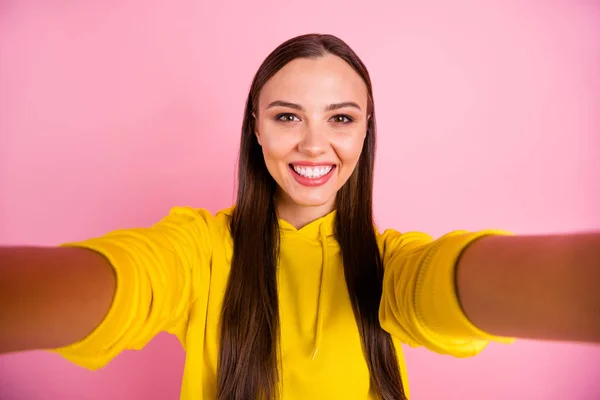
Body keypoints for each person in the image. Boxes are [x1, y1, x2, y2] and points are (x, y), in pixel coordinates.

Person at [0, 33, 599, 400]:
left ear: (367, 132)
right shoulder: (200, 250)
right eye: (288, 117)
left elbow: (450, 281)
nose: (314, 146)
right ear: (255, 129)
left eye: (341, 118)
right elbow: (128, 279)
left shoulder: (394, 262)